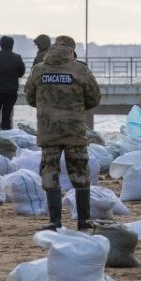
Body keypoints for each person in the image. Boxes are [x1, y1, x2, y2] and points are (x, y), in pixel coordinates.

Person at [24, 34, 102, 230]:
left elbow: (30, 98)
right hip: (74, 131)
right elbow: (94, 98)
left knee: (50, 173)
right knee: (80, 173)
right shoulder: (80, 70)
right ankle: (83, 220)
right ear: (72, 51)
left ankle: (55, 221)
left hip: (48, 130)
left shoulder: (39, 70)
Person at [0, 36, 26, 133]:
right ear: (12, 45)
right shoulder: (17, 57)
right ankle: (6, 135)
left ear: (0, 44)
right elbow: (21, 73)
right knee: (6, 115)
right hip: (11, 91)